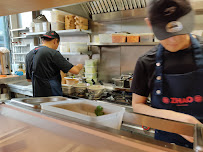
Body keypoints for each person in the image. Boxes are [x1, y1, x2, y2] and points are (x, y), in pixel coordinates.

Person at [131, 0, 203, 149]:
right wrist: (178, 120)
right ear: (150, 24)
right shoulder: (146, 62)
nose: (173, 39)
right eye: (164, 32)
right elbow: (137, 105)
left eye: (178, 29)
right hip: (164, 144)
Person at [26, 31, 83, 97]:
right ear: (55, 41)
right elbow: (75, 71)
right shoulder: (52, 53)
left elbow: (29, 79)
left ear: (43, 41)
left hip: (38, 96)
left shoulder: (29, 54)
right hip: (52, 96)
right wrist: (79, 66)